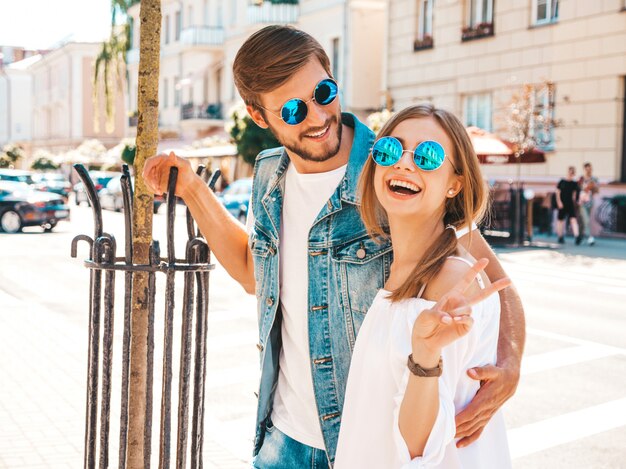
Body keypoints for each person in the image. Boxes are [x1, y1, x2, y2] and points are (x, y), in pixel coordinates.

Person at [143, 25, 525, 467]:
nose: (318, 116)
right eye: (291, 110)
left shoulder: (391, 171)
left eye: (324, 92)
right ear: (258, 116)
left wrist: (510, 363)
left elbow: (492, 282)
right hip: (282, 439)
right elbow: (255, 272)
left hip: (367, 442)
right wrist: (193, 191)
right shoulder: (269, 175)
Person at [334, 104, 511, 468]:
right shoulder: (400, 270)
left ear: (454, 184)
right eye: (389, 150)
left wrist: (425, 357)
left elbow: (419, 449)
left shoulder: (449, 281)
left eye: (428, 156)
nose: (403, 163)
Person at [556, 166, 581, 245]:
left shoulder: (574, 183)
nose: (571, 174)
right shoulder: (562, 181)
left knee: (573, 219)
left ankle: (577, 236)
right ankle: (560, 236)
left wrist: (576, 202)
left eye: (572, 172)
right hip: (562, 203)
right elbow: (558, 193)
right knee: (561, 220)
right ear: (567, 172)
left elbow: (574, 194)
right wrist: (559, 202)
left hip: (570, 204)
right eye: (570, 172)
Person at [579, 162, 599, 246]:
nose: (588, 171)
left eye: (590, 169)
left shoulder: (594, 179)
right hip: (581, 202)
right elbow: (577, 190)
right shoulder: (581, 179)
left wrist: (593, 187)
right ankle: (590, 238)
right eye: (587, 169)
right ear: (584, 170)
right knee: (586, 220)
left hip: (590, 202)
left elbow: (597, 191)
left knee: (585, 220)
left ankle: (580, 235)